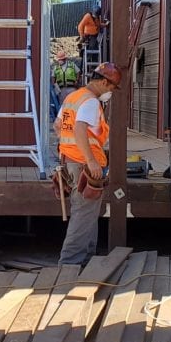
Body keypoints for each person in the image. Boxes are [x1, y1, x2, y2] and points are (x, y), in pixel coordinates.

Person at [55, 62, 121, 265]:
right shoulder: (91, 102)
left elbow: (59, 126)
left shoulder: (72, 97)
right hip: (84, 165)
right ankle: (69, 263)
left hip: (71, 161)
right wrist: (91, 161)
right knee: (83, 214)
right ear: (103, 82)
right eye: (111, 87)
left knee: (88, 212)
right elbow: (79, 129)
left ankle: (86, 258)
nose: (110, 92)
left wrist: (68, 151)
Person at [50, 51, 80, 119]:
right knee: (63, 105)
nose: (60, 61)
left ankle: (73, 118)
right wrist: (55, 85)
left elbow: (78, 72)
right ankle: (64, 119)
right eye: (59, 59)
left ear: (64, 59)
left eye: (61, 59)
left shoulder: (72, 65)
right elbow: (53, 77)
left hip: (72, 88)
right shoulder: (56, 67)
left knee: (73, 104)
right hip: (62, 89)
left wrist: (77, 81)